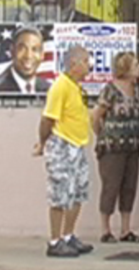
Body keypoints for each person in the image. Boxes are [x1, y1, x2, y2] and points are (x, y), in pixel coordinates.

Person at [33, 45, 95, 258]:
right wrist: (42, 142)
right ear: (74, 64)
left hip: (78, 145)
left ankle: (68, 235)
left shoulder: (75, 87)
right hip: (62, 145)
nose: (89, 66)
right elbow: (47, 118)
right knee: (60, 194)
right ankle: (54, 240)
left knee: (78, 192)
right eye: (86, 61)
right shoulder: (60, 86)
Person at [92, 51, 139, 243]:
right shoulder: (110, 90)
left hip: (132, 144)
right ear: (126, 68)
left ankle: (125, 229)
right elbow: (96, 115)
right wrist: (101, 135)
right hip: (112, 146)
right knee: (111, 186)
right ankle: (105, 229)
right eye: (136, 65)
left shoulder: (136, 89)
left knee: (129, 186)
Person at [0, 26, 51, 95]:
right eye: (22, 49)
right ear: (12, 51)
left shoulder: (50, 89)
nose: (28, 56)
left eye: (34, 49)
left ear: (42, 55)